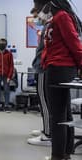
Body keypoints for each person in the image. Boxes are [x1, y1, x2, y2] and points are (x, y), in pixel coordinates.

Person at [32, 0, 82, 160]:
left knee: (57, 116)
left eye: (39, 5)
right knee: (64, 113)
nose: (38, 10)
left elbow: (75, 44)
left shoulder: (62, 17)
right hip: (57, 67)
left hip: (59, 68)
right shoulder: (56, 18)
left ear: (49, 3)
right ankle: (65, 153)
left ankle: (58, 156)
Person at [27, 8, 51, 147]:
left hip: (43, 68)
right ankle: (46, 129)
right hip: (40, 67)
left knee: (44, 102)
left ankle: (47, 135)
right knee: (44, 103)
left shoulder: (50, 26)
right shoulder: (46, 28)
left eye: (36, 15)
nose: (36, 19)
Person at [0, 38, 14, 112]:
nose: (1, 44)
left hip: (6, 75)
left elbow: (11, 66)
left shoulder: (9, 54)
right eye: (0, 43)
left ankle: (6, 106)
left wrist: (9, 76)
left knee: (6, 90)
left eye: (3, 43)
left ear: (5, 45)